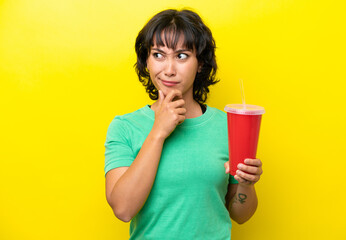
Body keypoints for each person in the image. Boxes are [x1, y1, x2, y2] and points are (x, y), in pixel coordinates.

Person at [104, 8, 263, 240]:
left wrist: (247, 185)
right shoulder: (125, 127)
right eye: (158, 55)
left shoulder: (227, 125)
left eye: (181, 56)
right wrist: (158, 131)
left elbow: (240, 214)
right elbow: (123, 209)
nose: (168, 70)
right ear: (146, 61)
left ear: (200, 63)